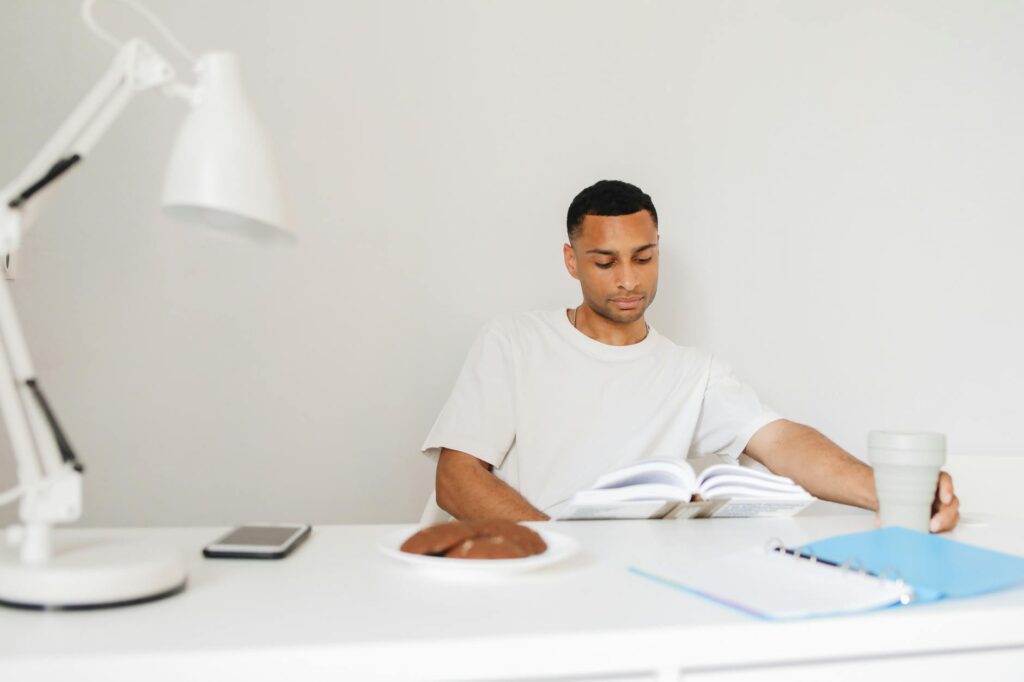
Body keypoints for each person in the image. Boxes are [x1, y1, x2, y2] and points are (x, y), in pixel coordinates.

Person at [421, 180, 959, 531]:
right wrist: (559, 550)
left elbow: (782, 441)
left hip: (623, 586)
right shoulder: (514, 341)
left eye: (644, 257)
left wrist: (896, 493)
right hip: (526, 568)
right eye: (604, 262)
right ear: (571, 260)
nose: (629, 280)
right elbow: (457, 478)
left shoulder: (690, 372)